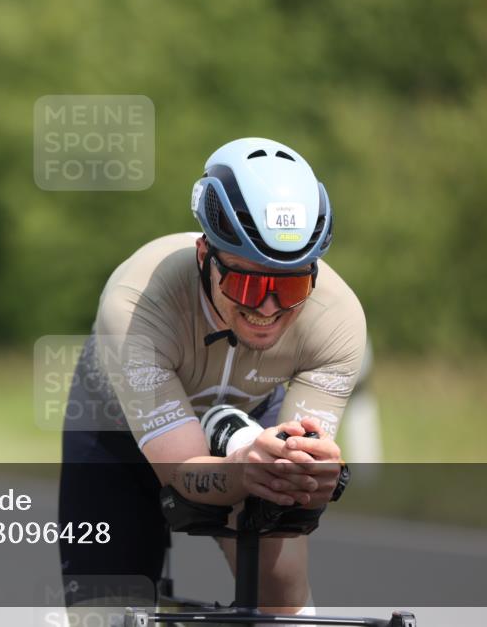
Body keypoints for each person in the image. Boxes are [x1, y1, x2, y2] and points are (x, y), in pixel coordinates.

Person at [58, 137, 367, 616]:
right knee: (106, 610)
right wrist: (249, 469)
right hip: (116, 432)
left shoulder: (337, 317)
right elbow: (183, 474)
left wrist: (305, 476)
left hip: (246, 421)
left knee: (283, 592)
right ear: (205, 255)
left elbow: (297, 464)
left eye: (289, 284)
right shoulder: (137, 304)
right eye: (247, 283)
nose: (268, 307)